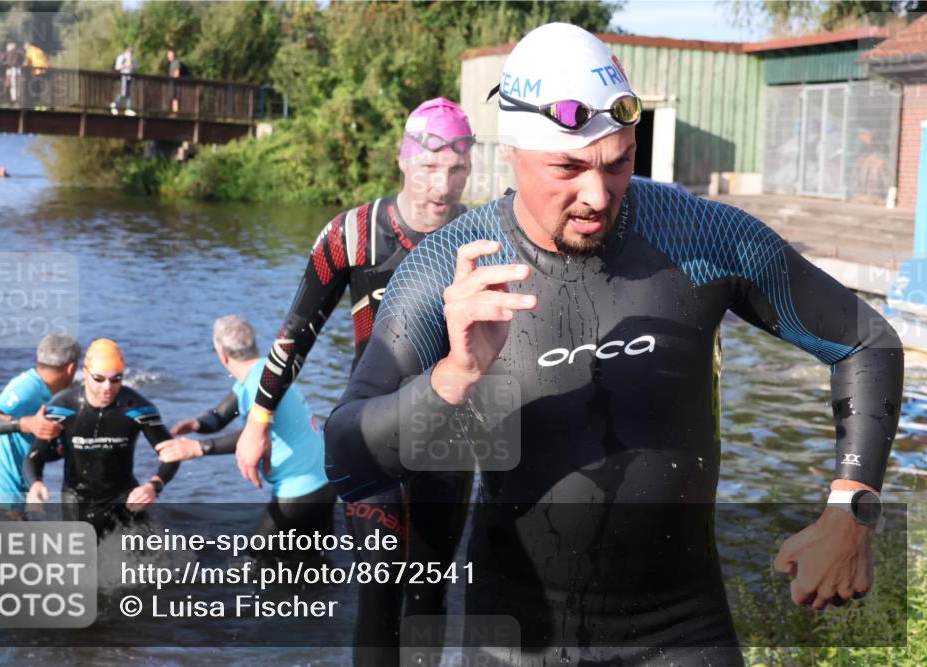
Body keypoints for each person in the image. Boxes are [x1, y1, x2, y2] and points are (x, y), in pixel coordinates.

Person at [323, 23, 903, 666]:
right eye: (567, 168)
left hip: (684, 632)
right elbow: (349, 456)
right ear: (512, 151)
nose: (597, 196)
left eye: (618, 161)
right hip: (516, 639)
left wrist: (852, 505)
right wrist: (455, 376)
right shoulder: (448, 268)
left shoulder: (693, 232)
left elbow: (866, 342)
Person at [235, 98, 476, 665]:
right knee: (376, 594)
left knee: (428, 592)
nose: (442, 187)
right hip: (372, 431)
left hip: (453, 437)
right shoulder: (351, 234)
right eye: (429, 168)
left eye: (457, 169)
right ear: (402, 159)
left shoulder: (482, 234)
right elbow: (298, 329)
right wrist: (259, 418)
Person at [155, 316, 336, 563]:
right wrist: (196, 424)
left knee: (252, 563)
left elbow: (252, 435)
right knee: (315, 562)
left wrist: (197, 448)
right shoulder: (266, 371)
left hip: (299, 489)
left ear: (222, 355)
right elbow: (220, 415)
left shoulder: (256, 385)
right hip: (325, 481)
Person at [25, 339, 178, 539]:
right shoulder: (61, 408)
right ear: (85, 374)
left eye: (116, 379)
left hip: (125, 499)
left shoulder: (137, 408)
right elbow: (35, 456)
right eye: (99, 379)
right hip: (77, 501)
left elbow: (172, 453)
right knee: (82, 566)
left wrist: (154, 486)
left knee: (152, 564)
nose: (107, 387)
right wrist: (35, 484)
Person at [0, 334, 80, 521]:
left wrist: (58, 451)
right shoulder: (26, 388)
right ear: (72, 368)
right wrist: (26, 423)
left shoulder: (54, 396)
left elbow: (29, 449)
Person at [111, 46, 137, 117]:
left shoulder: (133, 59)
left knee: (130, 93)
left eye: (131, 52)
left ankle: (128, 108)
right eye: (129, 52)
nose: (130, 53)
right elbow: (117, 67)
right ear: (126, 52)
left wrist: (132, 64)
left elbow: (135, 67)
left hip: (131, 77)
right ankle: (115, 104)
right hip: (124, 77)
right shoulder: (122, 57)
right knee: (123, 93)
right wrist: (125, 64)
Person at [22, 41, 48, 109]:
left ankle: (36, 104)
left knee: (35, 88)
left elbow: (26, 62)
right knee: (44, 88)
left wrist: (23, 67)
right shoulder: (38, 49)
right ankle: (44, 105)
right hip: (45, 70)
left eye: (25, 48)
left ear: (27, 46)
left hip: (37, 70)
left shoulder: (29, 50)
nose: (25, 50)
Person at [166, 49, 188, 114]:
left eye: (170, 55)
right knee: (173, 98)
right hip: (173, 84)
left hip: (176, 84)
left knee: (175, 98)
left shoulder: (176, 62)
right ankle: (174, 113)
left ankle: (175, 113)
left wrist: (173, 77)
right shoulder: (172, 63)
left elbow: (177, 74)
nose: (169, 57)